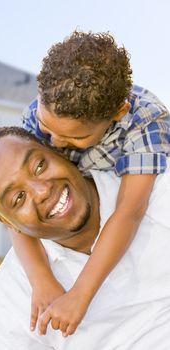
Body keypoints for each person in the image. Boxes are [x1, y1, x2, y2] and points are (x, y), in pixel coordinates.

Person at [15, 31, 170, 336]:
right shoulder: (38, 113)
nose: (55, 144)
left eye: (76, 138)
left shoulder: (146, 120)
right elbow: (7, 206)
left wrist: (79, 295)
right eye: (48, 130)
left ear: (118, 113)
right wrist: (41, 278)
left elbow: (129, 211)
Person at [0, 126, 170, 349]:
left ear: (60, 152)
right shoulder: (13, 293)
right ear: (7, 223)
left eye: (40, 166)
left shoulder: (158, 189)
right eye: (18, 198)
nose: (41, 191)